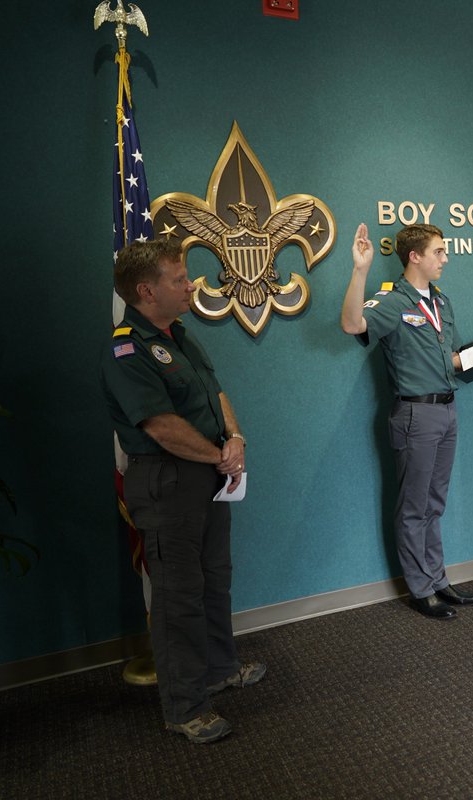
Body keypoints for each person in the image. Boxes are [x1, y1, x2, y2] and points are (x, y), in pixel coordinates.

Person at [100, 239, 265, 745]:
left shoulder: (180, 335)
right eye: (179, 279)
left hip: (207, 474)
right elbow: (160, 426)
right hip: (167, 480)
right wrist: (218, 455)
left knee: (215, 579)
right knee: (178, 596)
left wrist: (234, 437)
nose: (191, 285)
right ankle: (185, 706)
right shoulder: (127, 349)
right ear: (147, 291)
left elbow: (216, 392)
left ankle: (219, 668)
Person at [340, 221, 473, 620]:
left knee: (435, 503)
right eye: (438, 252)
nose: (445, 259)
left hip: (447, 410)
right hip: (415, 414)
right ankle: (420, 589)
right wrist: (360, 270)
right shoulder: (393, 301)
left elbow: (452, 359)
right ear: (414, 256)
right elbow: (351, 325)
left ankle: (437, 579)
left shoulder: (441, 302)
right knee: (414, 506)